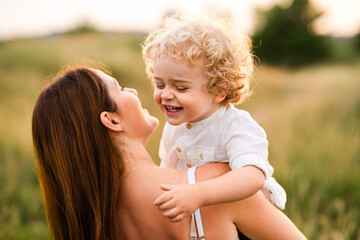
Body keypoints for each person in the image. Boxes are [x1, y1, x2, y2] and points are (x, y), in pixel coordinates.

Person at [32, 65, 306, 239]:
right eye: (120, 88)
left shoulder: (92, 218)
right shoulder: (216, 185)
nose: (136, 91)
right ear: (112, 120)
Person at [142, 15, 287, 223]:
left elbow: (252, 176)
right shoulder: (173, 129)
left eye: (181, 87)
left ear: (219, 90)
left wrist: (199, 194)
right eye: (160, 84)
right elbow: (168, 173)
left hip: (249, 224)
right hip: (206, 222)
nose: (166, 95)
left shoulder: (235, 127)